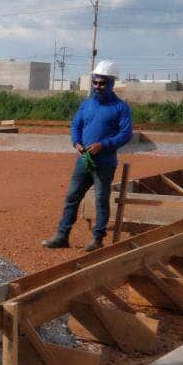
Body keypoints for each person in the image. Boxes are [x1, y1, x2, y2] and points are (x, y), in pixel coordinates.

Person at [42, 60, 132, 252]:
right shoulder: (87, 104)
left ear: (111, 83)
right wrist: (77, 142)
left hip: (105, 163)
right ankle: (62, 236)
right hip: (84, 161)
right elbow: (76, 125)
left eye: (102, 83)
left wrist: (104, 145)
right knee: (72, 197)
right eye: (95, 82)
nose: (98, 86)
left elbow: (125, 134)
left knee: (101, 199)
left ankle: (97, 239)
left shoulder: (121, 108)